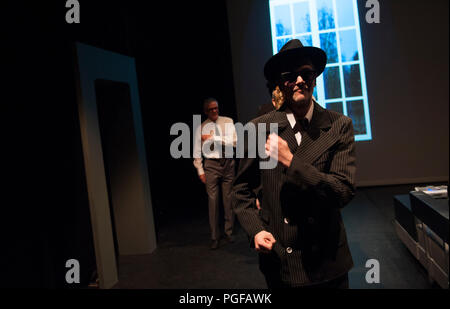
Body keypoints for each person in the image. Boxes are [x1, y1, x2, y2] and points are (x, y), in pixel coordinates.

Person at [232, 39, 356, 288]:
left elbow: (342, 191)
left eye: (306, 74)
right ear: (281, 83)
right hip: (281, 260)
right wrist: (255, 229)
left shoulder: (339, 125)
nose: (300, 80)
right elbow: (240, 189)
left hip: (327, 260)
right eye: (291, 76)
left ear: (315, 79)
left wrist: (292, 161)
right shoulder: (259, 128)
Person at [193, 98, 237, 250]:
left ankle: (229, 232)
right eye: (211, 109)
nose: (214, 111)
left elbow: (233, 142)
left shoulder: (227, 121)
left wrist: (213, 137)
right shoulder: (201, 128)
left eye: (216, 108)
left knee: (228, 199)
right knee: (213, 201)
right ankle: (214, 236)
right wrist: (200, 170)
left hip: (227, 162)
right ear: (206, 111)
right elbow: (197, 151)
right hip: (211, 165)